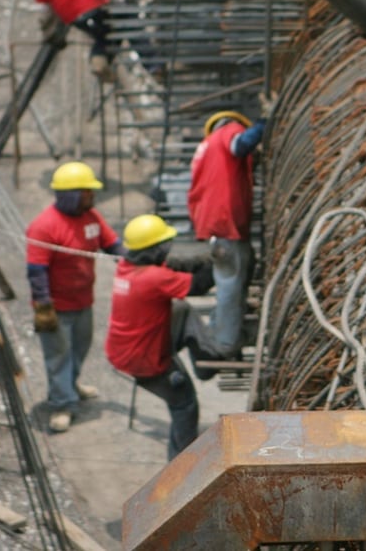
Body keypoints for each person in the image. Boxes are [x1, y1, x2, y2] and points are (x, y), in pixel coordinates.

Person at [105, 214, 216, 459]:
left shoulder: (128, 267)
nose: (167, 251)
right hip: (145, 361)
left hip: (128, 347)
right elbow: (198, 285)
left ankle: (205, 364)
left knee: (181, 309)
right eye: (164, 247)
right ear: (154, 250)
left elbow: (170, 266)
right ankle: (181, 465)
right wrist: (215, 261)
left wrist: (193, 261)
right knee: (184, 404)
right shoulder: (153, 278)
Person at [26, 161, 125, 433]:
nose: (92, 196)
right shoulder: (44, 227)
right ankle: (61, 404)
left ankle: (70, 384)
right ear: (70, 194)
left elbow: (112, 245)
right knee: (58, 355)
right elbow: (36, 271)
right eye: (87, 192)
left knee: (79, 348)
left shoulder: (91, 217)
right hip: (56, 307)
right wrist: (43, 304)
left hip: (84, 301)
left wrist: (136, 260)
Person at [186, 102, 268, 361]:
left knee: (239, 271)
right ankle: (224, 345)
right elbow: (240, 145)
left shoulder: (206, 148)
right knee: (231, 283)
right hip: (225, 225)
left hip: (213, 225)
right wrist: (264, 124)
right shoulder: (228, 133)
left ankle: (223, 332)